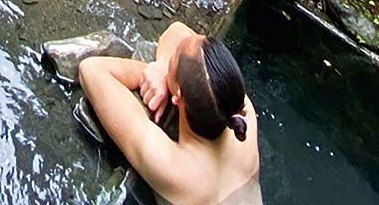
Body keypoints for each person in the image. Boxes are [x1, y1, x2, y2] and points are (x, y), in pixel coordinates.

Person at [78, 21, 261, 205]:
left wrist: (157, 74)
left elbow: (91, 70)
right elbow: (179, 30)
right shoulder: (245, 116)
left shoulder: (174, 169)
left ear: (179, 97)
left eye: (173, 57)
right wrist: (164, 65)